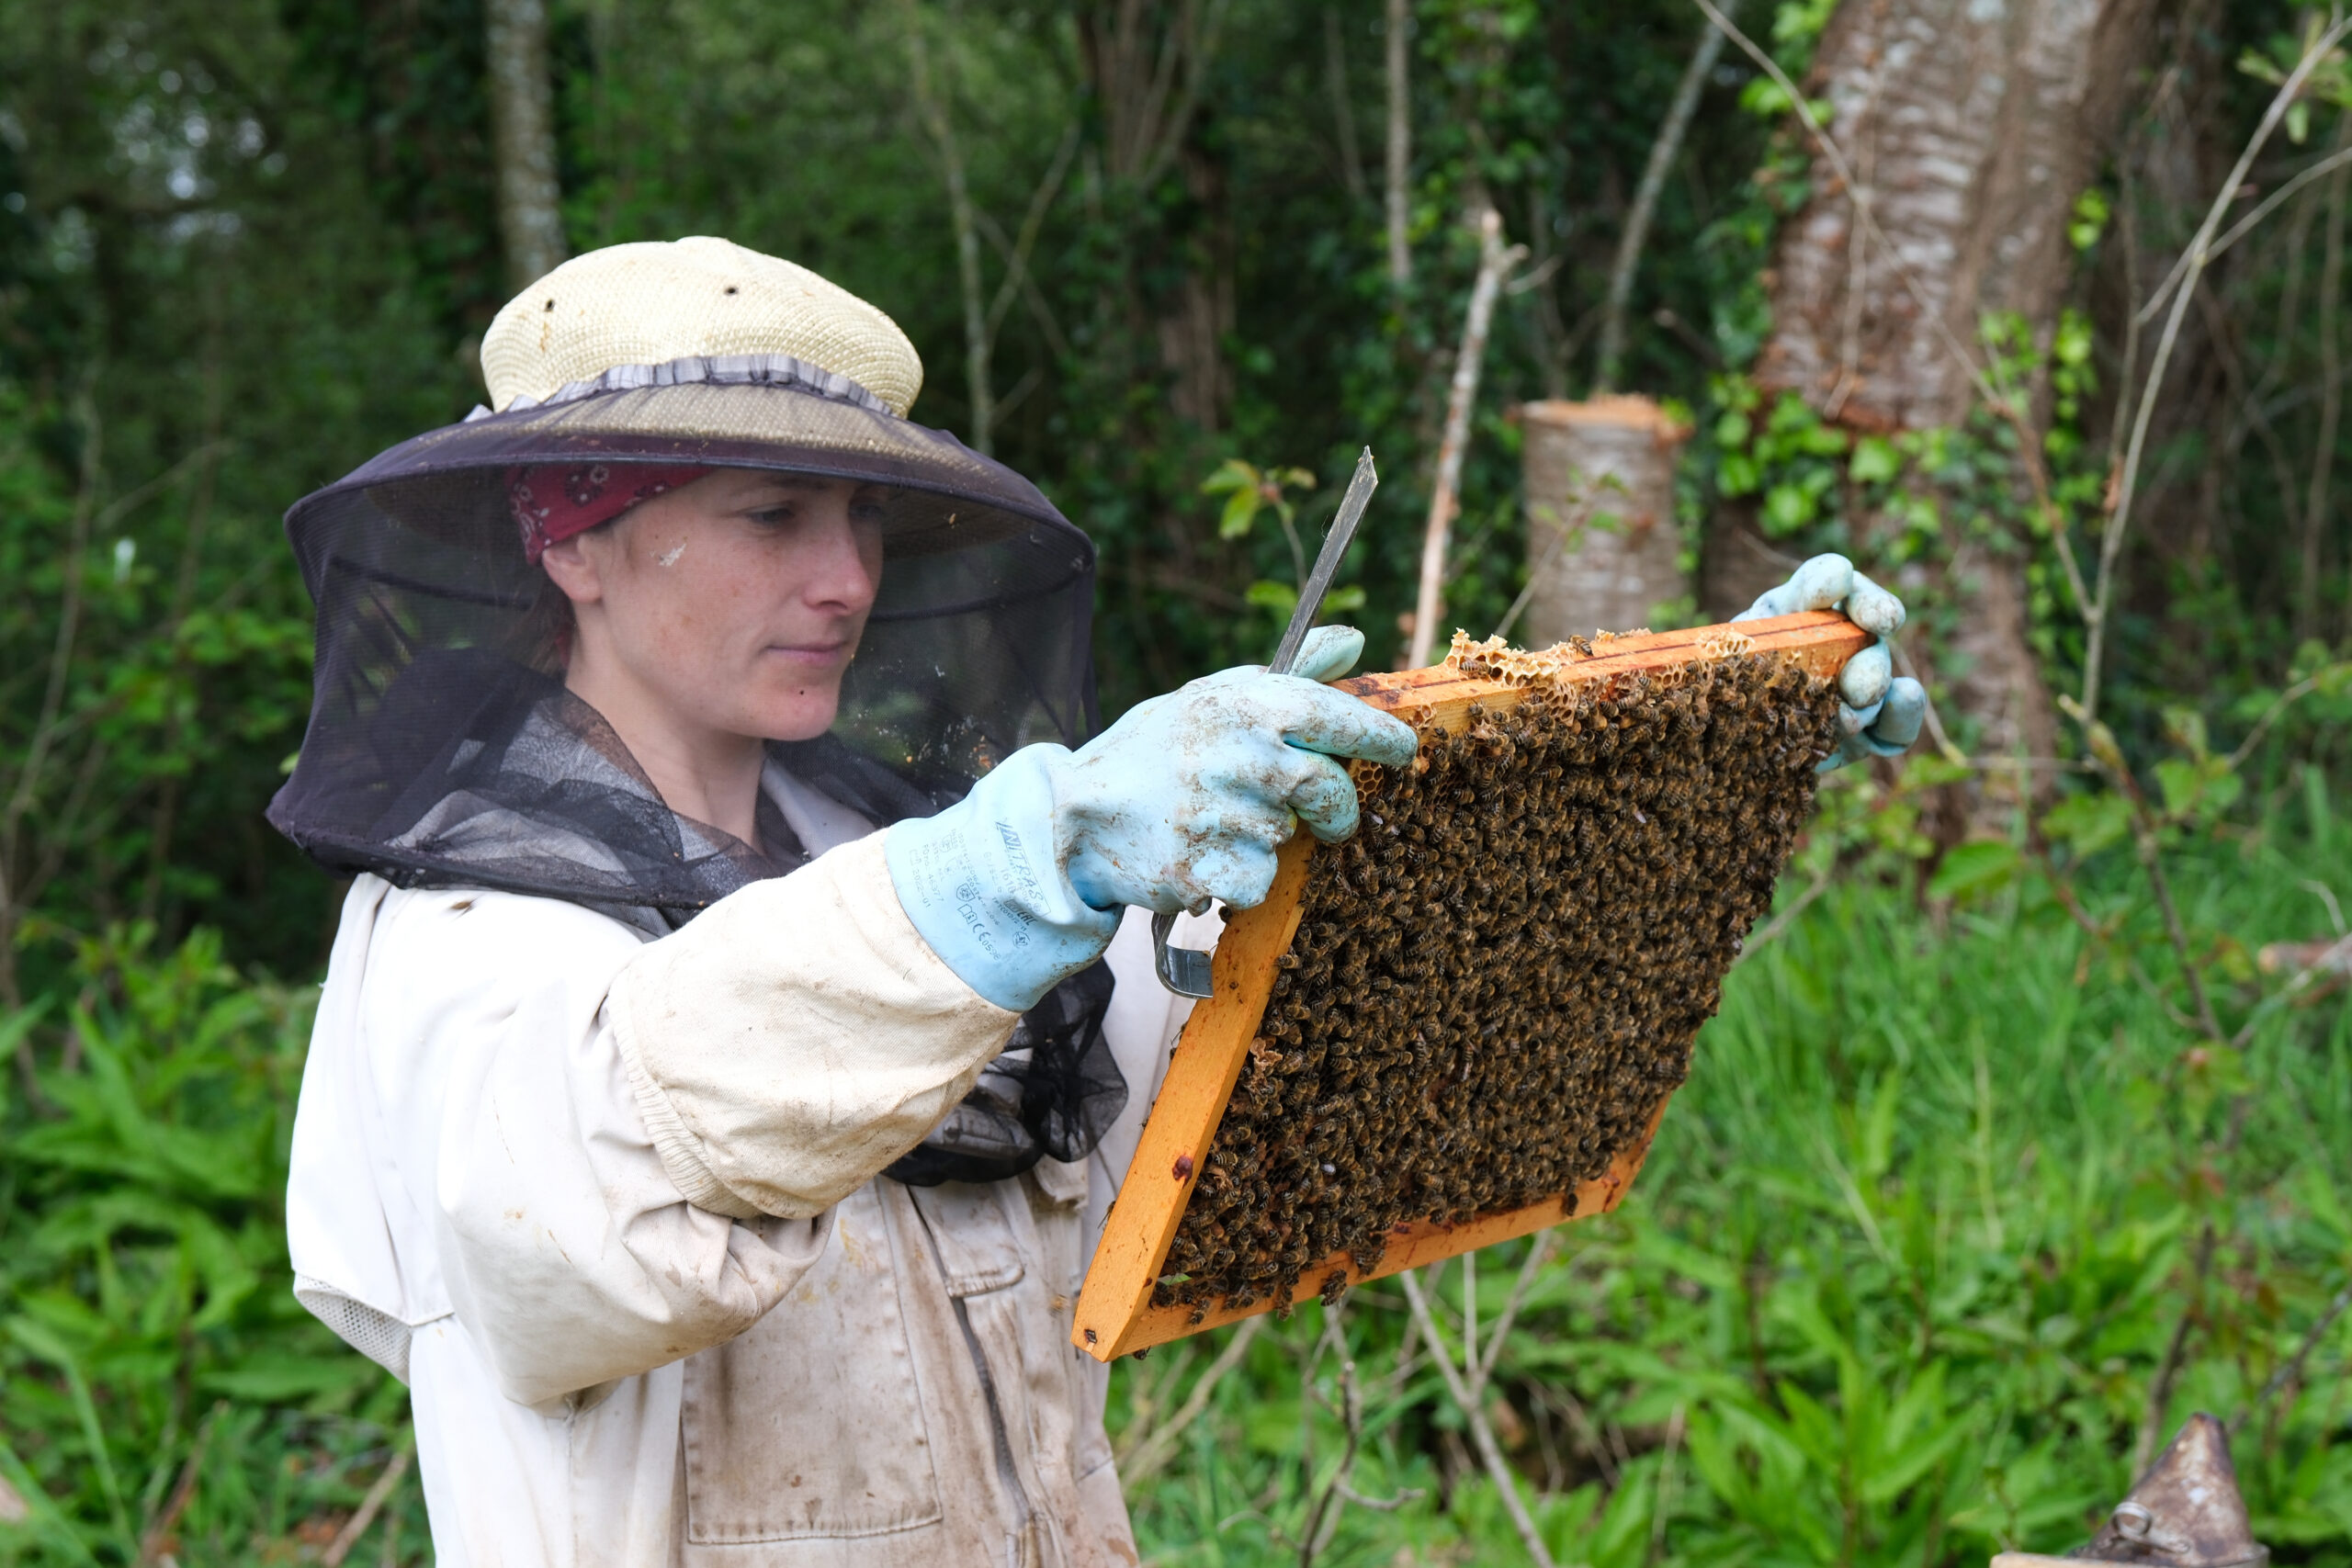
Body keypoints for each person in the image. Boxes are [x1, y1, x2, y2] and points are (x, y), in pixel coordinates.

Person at [271, 236, 1921, 1567]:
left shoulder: (892, 857)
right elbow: (597, 1198)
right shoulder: (467, 938)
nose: (844, 579)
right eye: (772, 516)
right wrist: (1011, 870)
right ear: (575, 542)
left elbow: (1290, 1096)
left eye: (858, 516)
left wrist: (1678, 779)